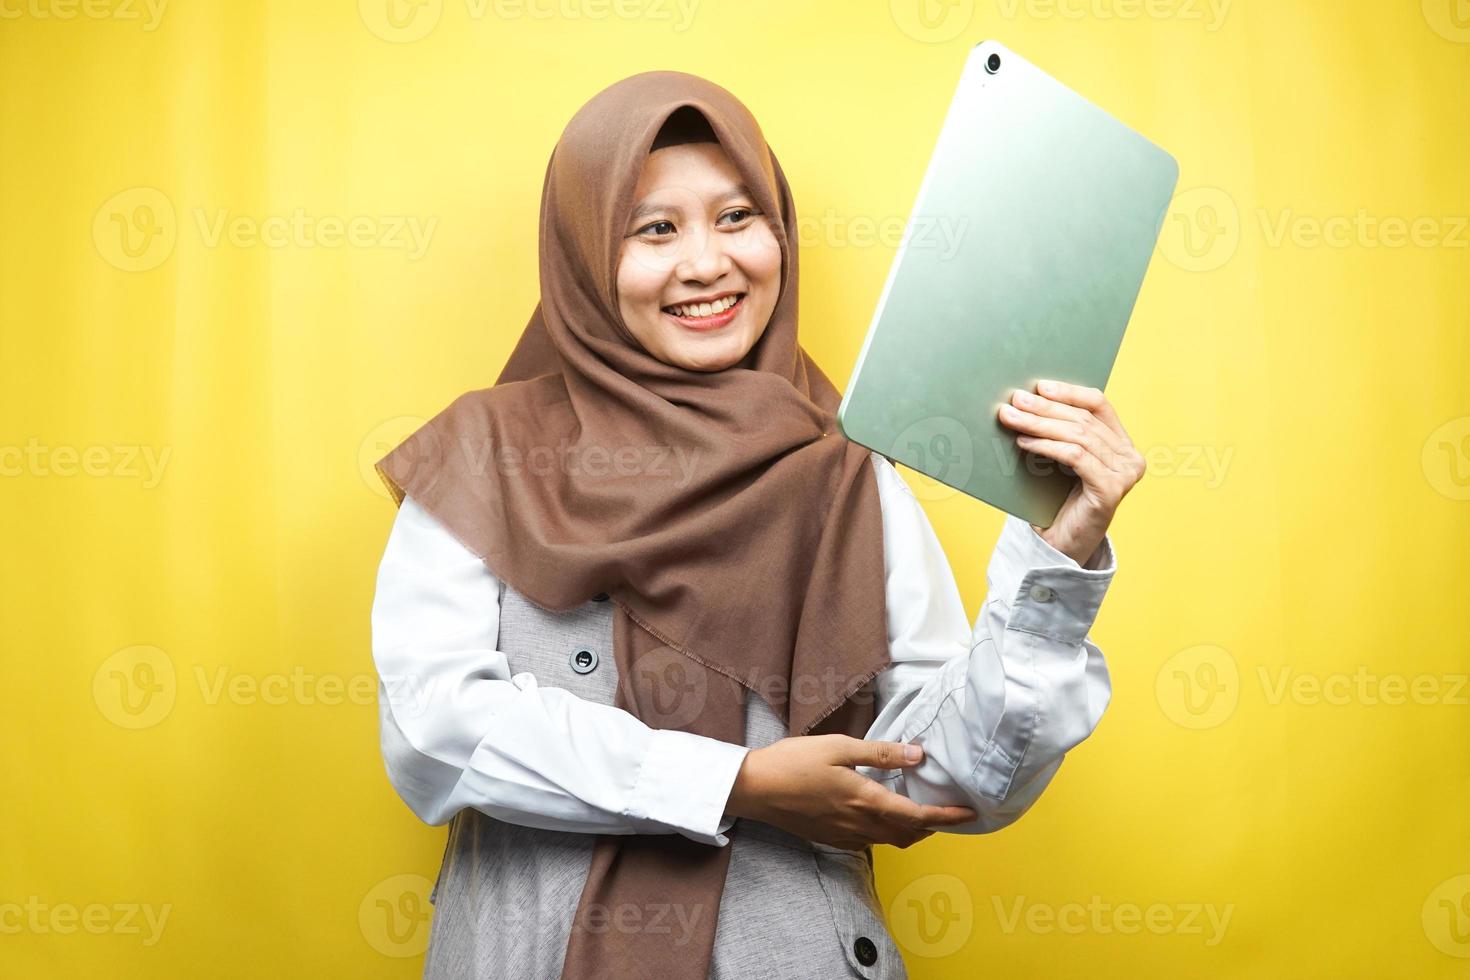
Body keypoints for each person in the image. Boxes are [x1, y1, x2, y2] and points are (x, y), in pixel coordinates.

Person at [370, 69, 1142, 980]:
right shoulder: (488, 456)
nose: (707, 263)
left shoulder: (852, 472)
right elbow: (435, 731)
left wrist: (1063, 551)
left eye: (739, 218)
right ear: (581, 252)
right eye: (654, 229)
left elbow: (938, 778)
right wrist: (736, 782)